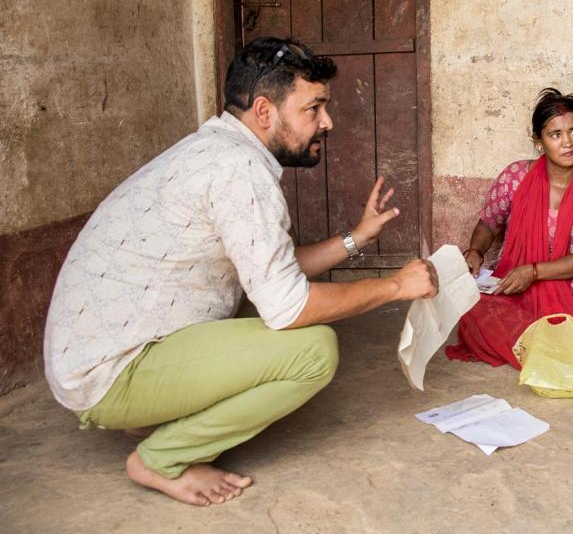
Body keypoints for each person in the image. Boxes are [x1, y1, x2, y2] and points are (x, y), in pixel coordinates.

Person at [42, 37, 439, 508]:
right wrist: (395, 286)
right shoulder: (238, 170)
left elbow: (275, 270)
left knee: (263, 305)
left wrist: (357, 237)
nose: (327, 122)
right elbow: (290, 306)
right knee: (313, 350)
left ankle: (150, 413)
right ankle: (161, 458)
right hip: (108, 374)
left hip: (99, 358)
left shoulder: (218, 150)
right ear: (265, 111)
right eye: (313, 108)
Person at [446, 88, 573, 371]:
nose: (567, 142)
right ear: (538, 140)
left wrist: (534, 272)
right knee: (472, 305)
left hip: (570, 282)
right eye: (555, 134)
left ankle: (538, 336)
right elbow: (489, 223)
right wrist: (474, 251)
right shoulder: (515, 177)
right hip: (513, 279)